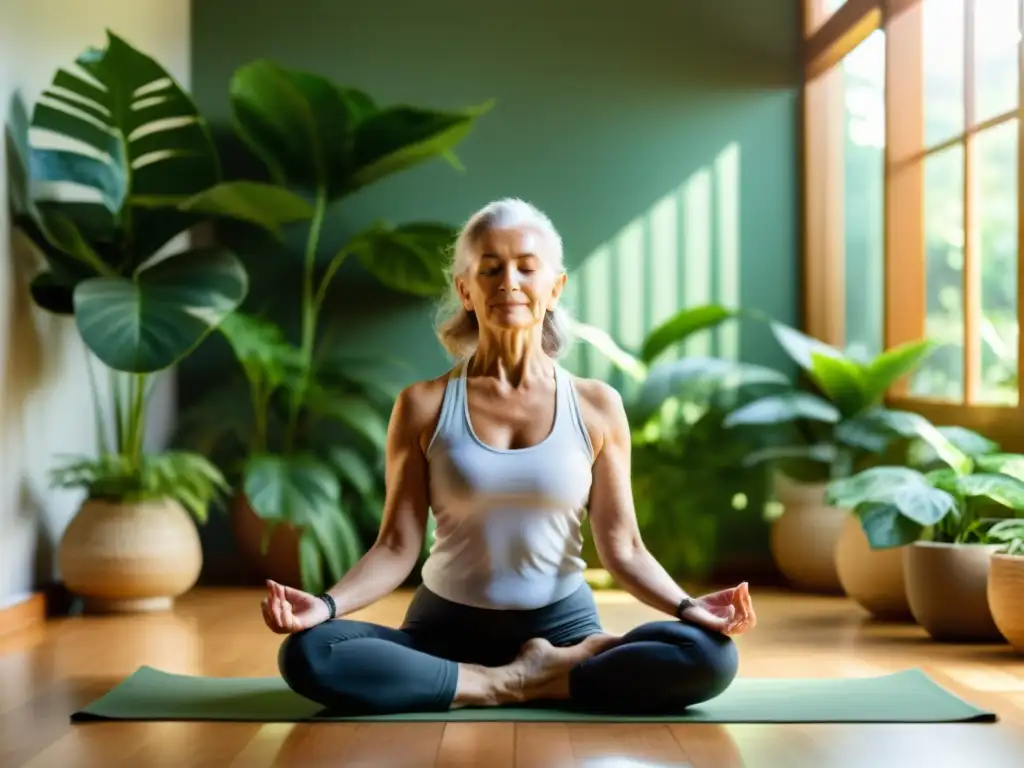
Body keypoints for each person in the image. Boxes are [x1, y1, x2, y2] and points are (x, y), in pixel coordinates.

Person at [261, 198, 756, 716]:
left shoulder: (596, 406)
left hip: (565, 629)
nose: (508, 282)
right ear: (465, 291)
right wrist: (327, 605)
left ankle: (482, 682)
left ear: (555, 287)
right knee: (309, 653)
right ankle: (523, 682)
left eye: (526, 266)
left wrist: (687, 606)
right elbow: (395, 545)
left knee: (708, 656)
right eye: (490, 269)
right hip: (444, 631)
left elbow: (624, 546)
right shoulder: (423, 405)